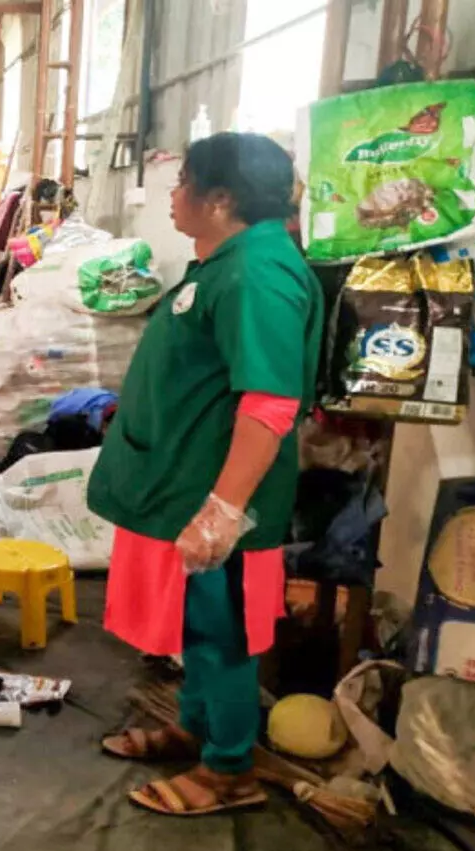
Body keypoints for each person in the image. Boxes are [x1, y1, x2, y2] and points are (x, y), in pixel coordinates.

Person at [87, 132, 323, 816]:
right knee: (196, 626)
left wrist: (223, 509)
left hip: (221, 498)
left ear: (221, 199)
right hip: (186, 485)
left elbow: (271, 400)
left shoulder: (259, 275)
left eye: (185, 180)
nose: (174, 193)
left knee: (223, 633)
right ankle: (195, 729)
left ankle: (228, 769)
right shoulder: (225, 263)